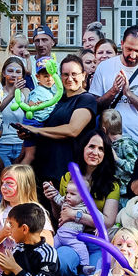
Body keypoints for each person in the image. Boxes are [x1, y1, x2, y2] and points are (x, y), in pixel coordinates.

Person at [16, 55, 96, 187]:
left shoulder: (86, 99)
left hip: (65, 175)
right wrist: (28, 132)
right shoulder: (55, 99)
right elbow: (44, 126)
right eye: (65, 74)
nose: (69, 79)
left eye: (74, 74)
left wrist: (37, 130)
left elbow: (73, 130)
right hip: (42, 172)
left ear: (83, 75)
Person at [89, 26, 138, 154]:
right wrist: (113, 91)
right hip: (108, 144)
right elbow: (93, 105)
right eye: (129, 49)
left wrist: (129, 94)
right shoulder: (104, 67)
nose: (133, 55)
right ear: (122, 44)